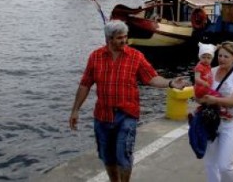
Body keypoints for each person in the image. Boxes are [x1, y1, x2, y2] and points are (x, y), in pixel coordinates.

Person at [69, 20, 188, 182]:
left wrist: (170, 83)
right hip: (102, 116)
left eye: (125, 37)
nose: (124, 41)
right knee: (107, 157)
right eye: (119, 38)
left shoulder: (136, 56)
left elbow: (152, 78)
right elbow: (85, 85)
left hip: (127, 115)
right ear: (108, 39)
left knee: (123, 155)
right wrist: (75, 110)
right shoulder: (95, 57)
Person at [199, 41, 233, 181]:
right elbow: (199, 94)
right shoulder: (210, 71)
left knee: (225, 166)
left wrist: (216, 101)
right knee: (210, 164)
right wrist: (200, 98)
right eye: (220, 55)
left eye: (226, 56)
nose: (221, 59)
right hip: (210, 122)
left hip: (230, 123)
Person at [194, 43, 232, 120]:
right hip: (202, 88)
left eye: (208, 58)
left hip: (205, 88)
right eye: (203, 57)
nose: (206, 60)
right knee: (218, 96)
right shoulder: (199, 66)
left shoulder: (207, 65)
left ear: (212, 58)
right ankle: (222, 111)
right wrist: (204, 83)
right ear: (199, 57)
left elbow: (211, 50)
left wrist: (217, 48)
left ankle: (200, 109)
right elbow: (196, 78)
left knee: (210, 100)